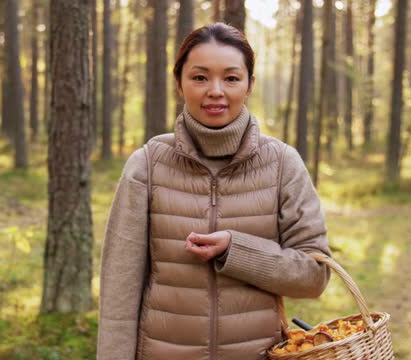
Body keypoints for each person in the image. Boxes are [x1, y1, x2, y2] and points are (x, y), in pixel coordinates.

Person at [97, 23, 331, 360]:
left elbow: (314, 275)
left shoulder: (282, 164)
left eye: (232, 78)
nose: (216, 91)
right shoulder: (147, 164)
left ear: (250, 84)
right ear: (179, 83)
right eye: (200, 77)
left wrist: (237, 251)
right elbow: (119, 289)